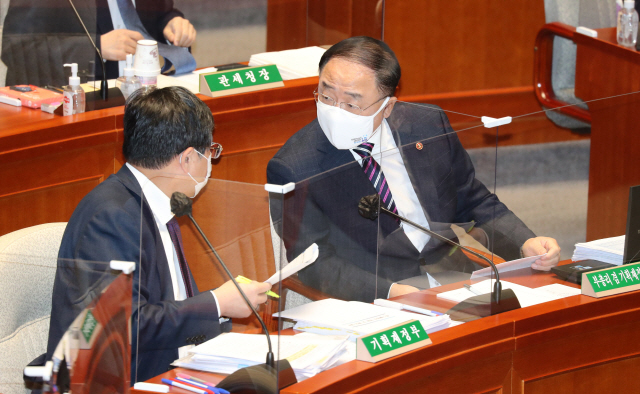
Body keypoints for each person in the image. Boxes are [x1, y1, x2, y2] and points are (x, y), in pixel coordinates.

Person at [267, 36, 561, 303]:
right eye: (326, 96)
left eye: (352, 104)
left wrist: (525, 242)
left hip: (454, 277)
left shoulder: (427, 125)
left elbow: (474, 200)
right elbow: (315, 262)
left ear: (388, 106)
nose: (335, 111)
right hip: (374, 297)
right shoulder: (293, 167)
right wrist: (391, 292)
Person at [46, 86, 271, 382]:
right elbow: (120, 327)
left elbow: (168, 303)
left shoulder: (162, 202)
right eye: (210, 151)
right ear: (188, 158)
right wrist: (217, 302)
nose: (210, 162)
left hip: (168, 369)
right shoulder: (112, 217)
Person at [1, 0, 196, 86]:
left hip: (150, 100)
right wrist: (96, 47)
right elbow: (15, 49)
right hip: (81, 110)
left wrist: (171, 21)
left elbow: (159, 13)